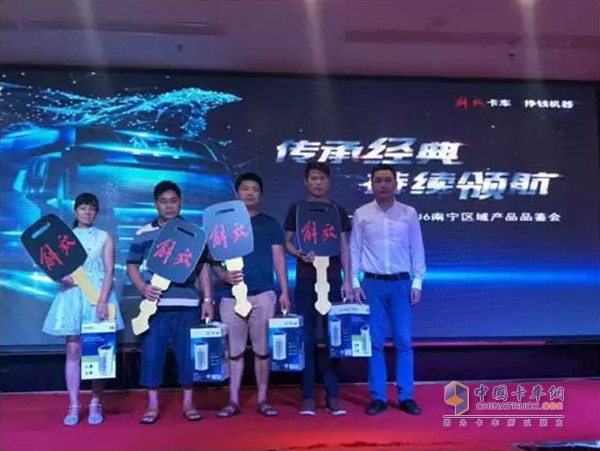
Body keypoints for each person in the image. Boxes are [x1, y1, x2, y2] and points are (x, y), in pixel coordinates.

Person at [126, 180, 214, 424]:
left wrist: (208, 299)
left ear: (180, 202)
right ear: (156, 204)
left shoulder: (194, 233)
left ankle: (189, 403)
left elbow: (203, 268)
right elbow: (131, 266)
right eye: (163, 202)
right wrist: (143, 287)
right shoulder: (143, 233)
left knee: (188, 356)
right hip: (155, 307)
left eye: (173, 201)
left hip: (188, 305)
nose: (169, 206)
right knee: (152, 355)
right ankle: (152, 405)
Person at [213, 172, 291, 418]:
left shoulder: (269, 224)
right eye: (245, 189)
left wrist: (284, 291)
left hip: (263, 295)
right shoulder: (223, 223)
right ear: (236, 193)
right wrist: (222, 274)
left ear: (260, 194)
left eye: (254, 189)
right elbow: (212, 260)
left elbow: (279, 258)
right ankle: (233, 400)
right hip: (230, 296)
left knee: (262, 350)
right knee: (234, 351)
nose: (249, 193)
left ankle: (263, 399)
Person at [43, 193, 125, 426]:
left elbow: (109, 271)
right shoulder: (63, 237)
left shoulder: (104, 237)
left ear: (96, 213)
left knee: (98, 352)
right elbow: (53, 265)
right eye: (83, 208)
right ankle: (73, 404)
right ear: (75, 211)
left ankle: (96, 402)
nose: (87, 212)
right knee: (73, 351)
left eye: (91, 209)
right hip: (72, 296)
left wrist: (102, 301)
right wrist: (61, 277)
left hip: (98, 294)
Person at [350, 164, 426, 416]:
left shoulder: (408, 213)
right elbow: (354, 249)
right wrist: (354, 282)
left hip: (401, 284)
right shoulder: (361, 214)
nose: (383, 184)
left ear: (396, 183)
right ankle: (378, 396)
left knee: (403, 341)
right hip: (372, 284)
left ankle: (406, 395)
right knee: (374, 342)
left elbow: (417, 248)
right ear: (371, 184)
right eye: (378, 180)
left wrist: (417, 282)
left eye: (387, 180)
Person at [284, 161, 353, 416]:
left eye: (322, 178)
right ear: (306, 182)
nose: (317, 182)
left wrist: (348, 280)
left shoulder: (337, 210)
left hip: (333, 279)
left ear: (329, 181)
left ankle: (333, 396)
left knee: (334, 338)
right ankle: (308, 397)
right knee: (307, 338)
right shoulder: (297, 209)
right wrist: (299, 254)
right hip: (305, 280)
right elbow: (286, 241)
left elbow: (344, 246)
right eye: (313, 178)